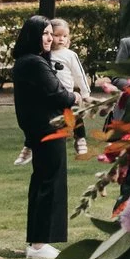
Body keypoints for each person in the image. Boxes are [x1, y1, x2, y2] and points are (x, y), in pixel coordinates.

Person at [12, 17, 75, 259]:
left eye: (51, 33)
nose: (49, 38)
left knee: (42, 181)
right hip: (48, 128)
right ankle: (39, 245)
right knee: (51, 182)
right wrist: (75, 97)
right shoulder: (35, 63)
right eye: (44, 33)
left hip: (39, 129)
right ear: (33, 35)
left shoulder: (25, 61)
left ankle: (37, 242)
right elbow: (58, 94)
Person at [45, 18, 94, 158]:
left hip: (67, 94)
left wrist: (85, 93)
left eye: (64, 36)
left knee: (75, 115)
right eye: (57, 35)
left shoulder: (70, 55)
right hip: (51, 95)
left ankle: (80, 138)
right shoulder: (44, 54)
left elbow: (79, 74)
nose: (61, 39)